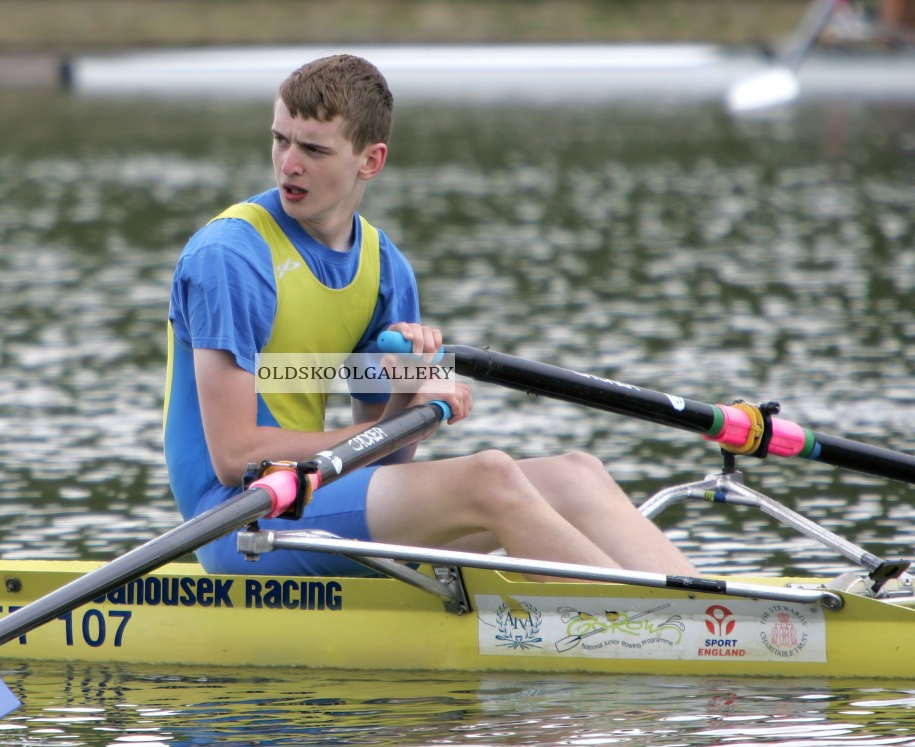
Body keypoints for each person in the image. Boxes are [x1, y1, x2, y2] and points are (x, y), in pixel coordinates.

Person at [164, 54, 698, 579]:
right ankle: (646, 628)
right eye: (280, 139)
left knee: (578, 474)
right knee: (489, 476)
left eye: (313, 149)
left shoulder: (384, 267)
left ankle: (706, 616)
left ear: (370, 161)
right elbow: (236, 456)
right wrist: (392, 426)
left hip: (311, 497)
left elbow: (382, 467)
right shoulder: (231, 256)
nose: (289, 164)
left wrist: (409, 388)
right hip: (239, 518)